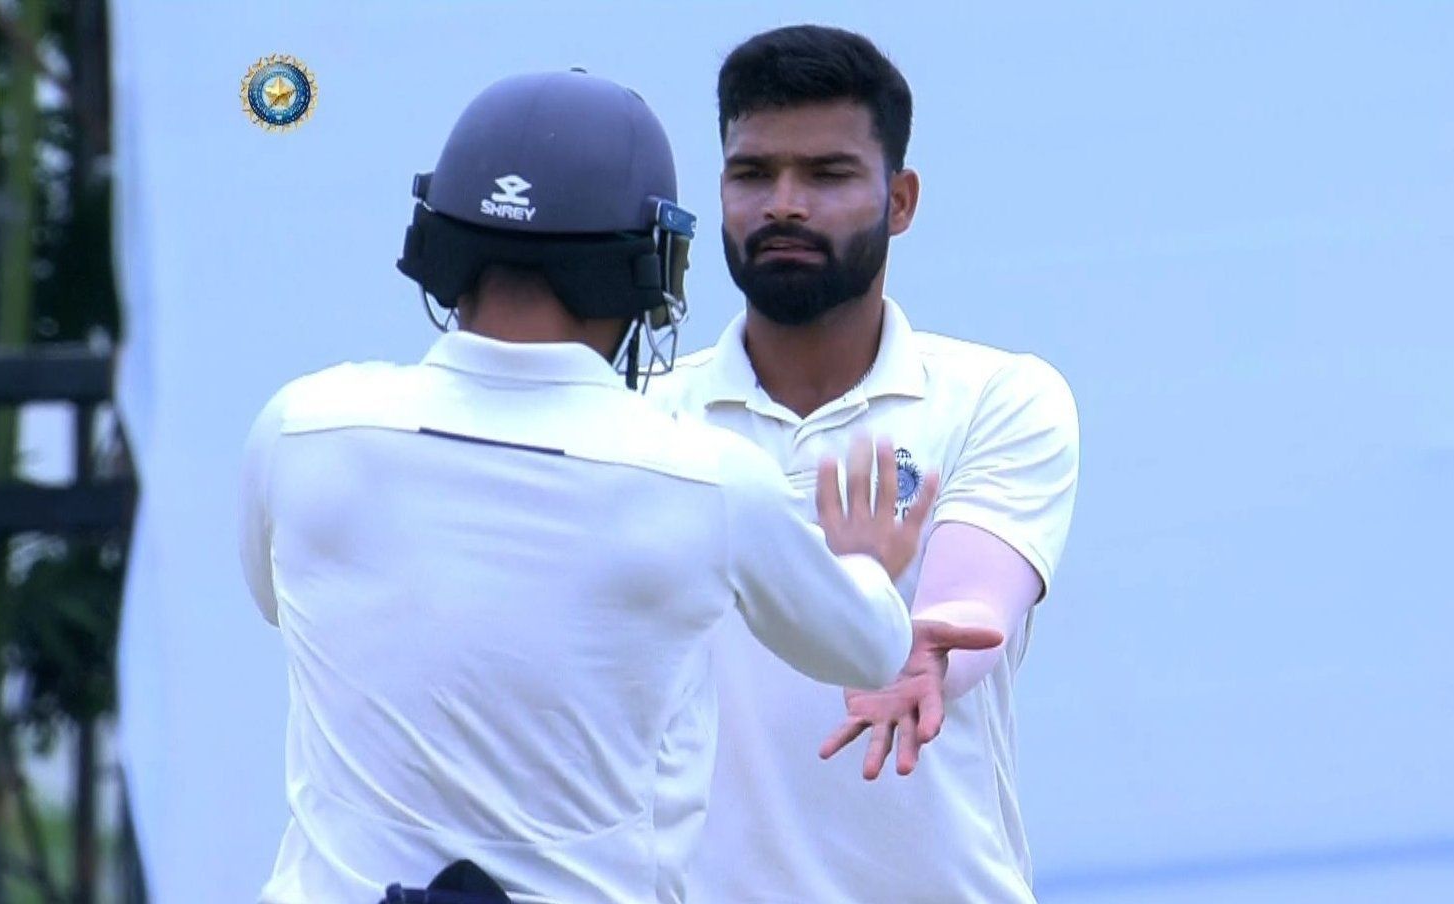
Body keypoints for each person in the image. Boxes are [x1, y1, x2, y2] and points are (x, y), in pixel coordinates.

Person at [238, 69, 1001, 904]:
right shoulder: (703, 479)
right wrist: (865, 566)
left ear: (437, 246)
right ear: (648, 267)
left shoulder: (299, 426)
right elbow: (863, 649)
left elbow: (279, 599)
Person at [649, 26, 1081, 903]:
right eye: (753, 174)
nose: (784, 204)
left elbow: (972, 603)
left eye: (828, 174)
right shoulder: (645, 420)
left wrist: (922, 658)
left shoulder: (998, 396)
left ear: (902, 199)